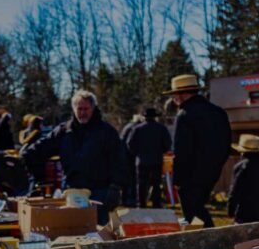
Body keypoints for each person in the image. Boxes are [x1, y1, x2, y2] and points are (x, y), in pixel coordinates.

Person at [22, 90, 129, 224]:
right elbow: (35, 153)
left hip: (99, 192)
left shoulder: (107, 132)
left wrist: (115, 187)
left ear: (93, 108)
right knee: (72, 228)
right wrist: (38, 180)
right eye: (79, 109)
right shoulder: (63, 131)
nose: (83, 113)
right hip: (71, 191)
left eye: (86, 109)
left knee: (98, 231)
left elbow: (119, 161)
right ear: (73, 109)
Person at [166, 74, 231, 228]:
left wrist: (177, 179)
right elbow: (226, 143)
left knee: (194, 214)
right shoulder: (218, 112)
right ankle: (208, 236)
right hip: (212, 172)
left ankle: (210, 238)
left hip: (190, 175)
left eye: (174, 95)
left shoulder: (185, 114)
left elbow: (182, 150)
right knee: (198, 208)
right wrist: (216, 165)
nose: (174, 99)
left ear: (181, 95)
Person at [126, 108, 172, 208]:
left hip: (142, 160)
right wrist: (161, 151)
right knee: (156, 183)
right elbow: (167, 144)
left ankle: (141, 203)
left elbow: (130, 143)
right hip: (157, 159)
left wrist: (137, 153)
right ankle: (156, 203)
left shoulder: (137, 129)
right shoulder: (161, 128)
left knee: (141, 183)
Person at [227, 134, 259, 224]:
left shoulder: (241, 167)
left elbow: (235, 191)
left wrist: (231, 211)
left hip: (243, 214)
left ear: (243, 152)